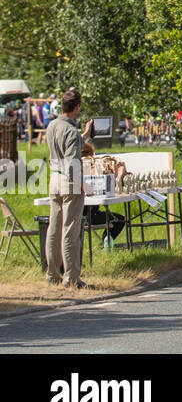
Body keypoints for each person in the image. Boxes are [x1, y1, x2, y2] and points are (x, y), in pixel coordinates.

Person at [45, 89, 92, 287]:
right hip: (69, 181)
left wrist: (85, 136)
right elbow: (72, 162)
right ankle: (71, 277)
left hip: (54, 179)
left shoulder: (52, 125)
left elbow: (66, 144)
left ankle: (52, 274)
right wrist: (85, 187)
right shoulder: (71, 131)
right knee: (70, 231)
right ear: (77, 107)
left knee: (53, 229)